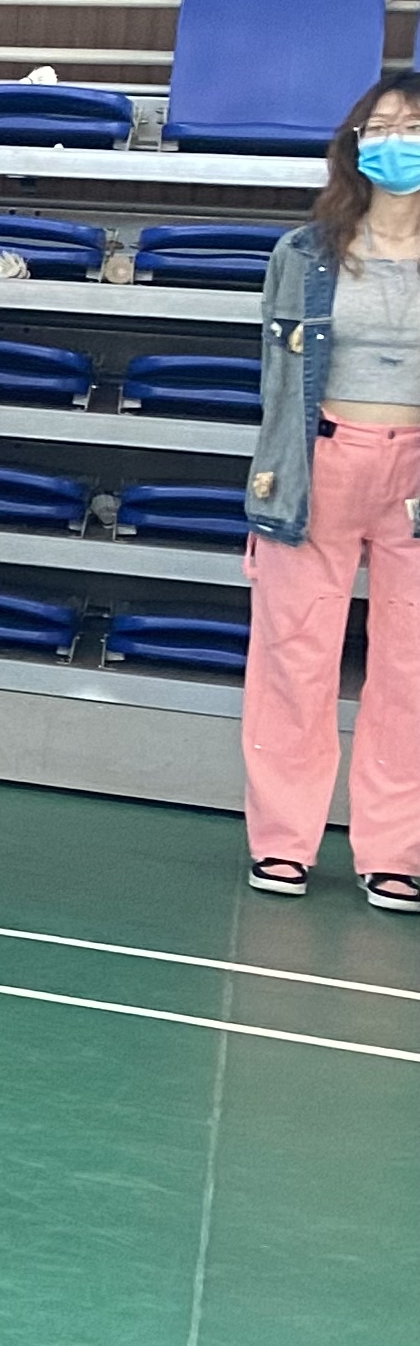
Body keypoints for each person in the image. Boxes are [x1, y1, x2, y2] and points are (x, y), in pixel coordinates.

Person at [242, 68, 420, 910]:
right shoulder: (303, 253)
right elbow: (276, 381)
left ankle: (396, 849)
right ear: (353, 144)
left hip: (415, 472)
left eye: (413, 127)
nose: (395, 143)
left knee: (411, 669)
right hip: (320, 462)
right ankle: (283, 842)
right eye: (379, 128)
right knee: (294, 656)